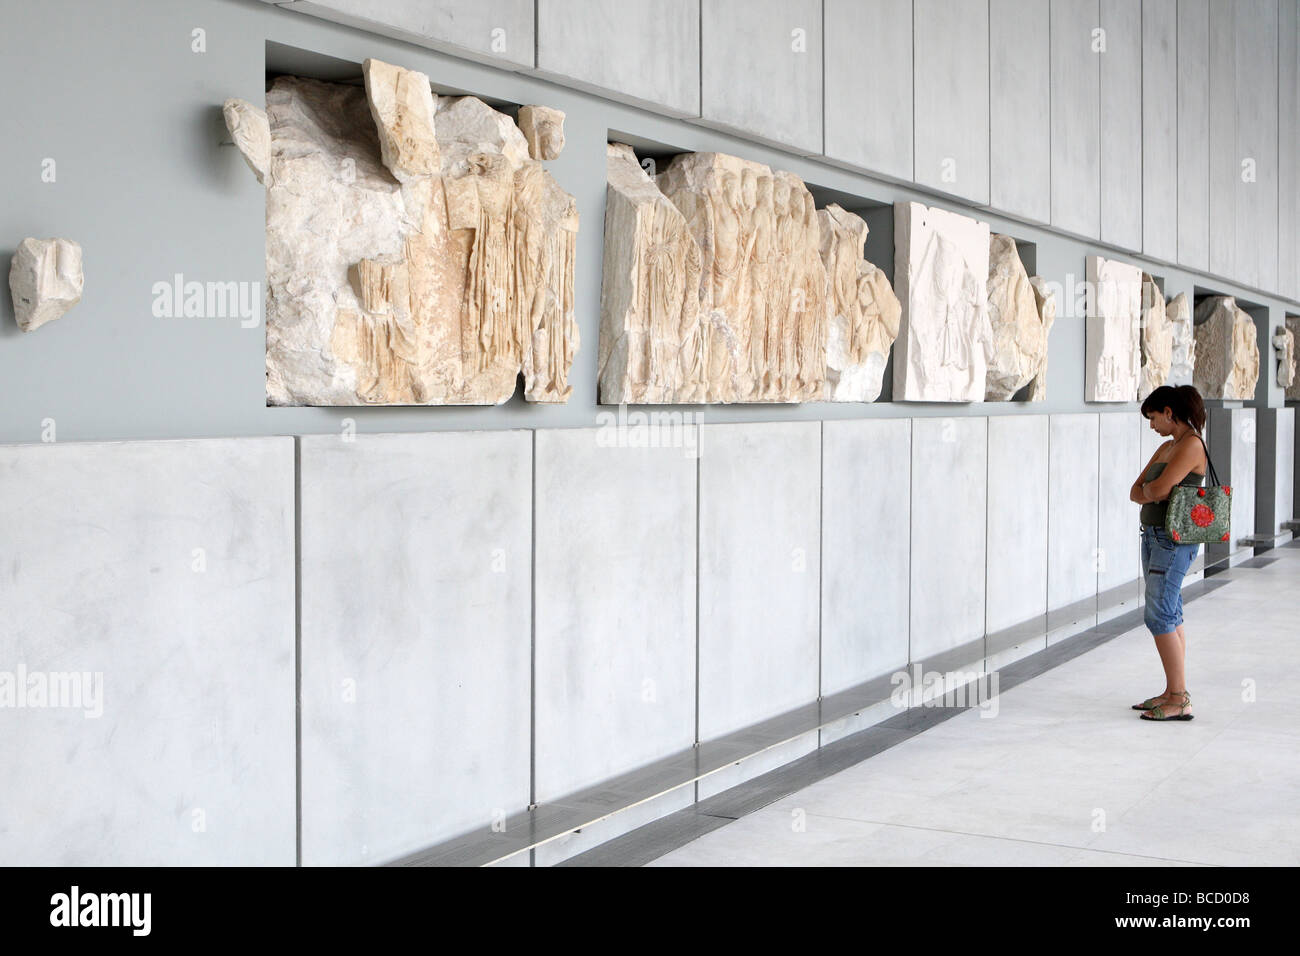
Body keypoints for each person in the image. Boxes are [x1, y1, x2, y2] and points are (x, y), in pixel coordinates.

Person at [1128, 384, 1208, 721]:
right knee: (1169, 612)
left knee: (1158, 614)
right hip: (1154, 536)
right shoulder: (1167, 446)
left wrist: (1155, 491)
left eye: (1153, 417)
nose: (1152, 425)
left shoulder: (1191, 445)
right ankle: (1172, 690)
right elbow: (1136, 491)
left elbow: (1157, 487)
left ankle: (1179, 698)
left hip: (1174, 540)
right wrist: (1153, 492)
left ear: (1169, 413)